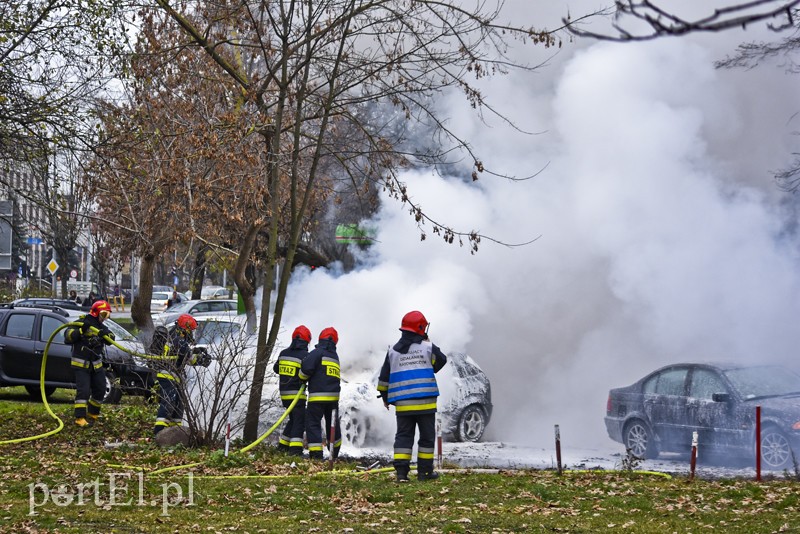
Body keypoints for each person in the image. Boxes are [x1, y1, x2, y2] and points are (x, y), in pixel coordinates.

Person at [378, 310, 448, 482]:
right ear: (421, 328)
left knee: (403, 437)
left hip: (403, 405)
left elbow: (383, 379)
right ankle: (425, 473)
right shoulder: (428, 347)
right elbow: (442, 360)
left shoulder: (393, 351)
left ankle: (401, 474)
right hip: (425, 403)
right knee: (426, 438)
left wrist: (385, 397)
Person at [64, 300, 115, 427]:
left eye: (107, 315)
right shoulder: (81, 323)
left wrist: (106, 335)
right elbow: (68, 337)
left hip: (96, 365)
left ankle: (93, 414)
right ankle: (79, 417)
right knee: (84, 391)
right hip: (81, 365)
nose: (105, 318)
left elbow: (111, 338)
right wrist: (81, 332)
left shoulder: (100, 326)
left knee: (100, 389)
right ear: (96, 312)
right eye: (104, 314)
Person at [151, 313, 199, 435]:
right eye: (191, 330)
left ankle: (175, 434)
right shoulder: (179, 340)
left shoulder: (174, 336)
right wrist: (200, 358)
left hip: (174, 376)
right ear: (185, 329)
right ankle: (159, 433)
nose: (192, 334)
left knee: (178, 405)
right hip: (167, 375)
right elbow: (189, 358)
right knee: (168, 403)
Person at [299, 327, 341, 460]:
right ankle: (334, 453)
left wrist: (302, 378)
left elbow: (305, 370)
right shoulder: (335, 356)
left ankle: (316, 455)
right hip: (333, 399)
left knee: (313, 423)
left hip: (317, 397)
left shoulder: (317, 353)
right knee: (332, 424)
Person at [273, 325, 312, 456]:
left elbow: (276, 369)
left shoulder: (283, 354)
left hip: (284, 394)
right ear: (306, 341)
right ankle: (295, 450)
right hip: (297, 395)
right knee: (300, 421)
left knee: (294, 419)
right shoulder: (305, 356)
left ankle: (283, 446)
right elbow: (307, 373)